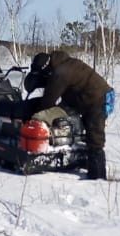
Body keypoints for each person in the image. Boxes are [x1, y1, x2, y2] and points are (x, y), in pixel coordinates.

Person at [27, 50, 114, 180]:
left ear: (46, 68)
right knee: (80, 130)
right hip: (83, 99)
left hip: (98, 99)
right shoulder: (63, 63)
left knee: (95, 138)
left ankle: (97, 178)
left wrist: (36, 114)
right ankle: (87, 164)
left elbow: (48, 101)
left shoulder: (60, 73)